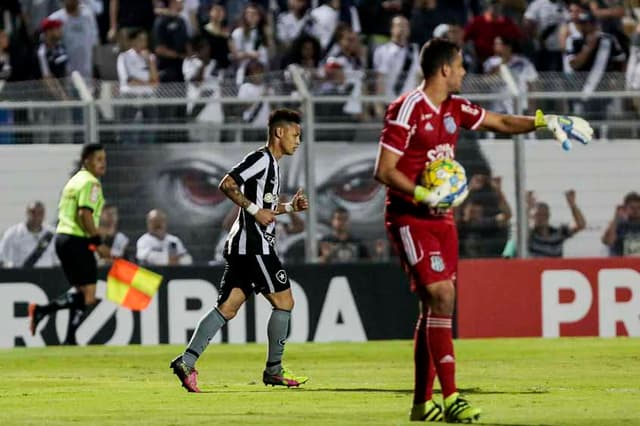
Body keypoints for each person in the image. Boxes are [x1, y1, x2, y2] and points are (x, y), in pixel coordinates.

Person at [373, 38, 592, 422]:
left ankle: (422, 404)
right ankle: (452, 396)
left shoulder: (456, 108)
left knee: (435, 306)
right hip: (411, 217)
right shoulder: (406, 109)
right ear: (444, 70)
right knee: (442, 295)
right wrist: (424, 192)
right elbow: (384, 170)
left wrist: (546, 121)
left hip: (443, 218)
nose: (463, 73)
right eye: (459, 67)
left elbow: (503, 122)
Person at [170, 108, 309, 392]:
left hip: (244, 247)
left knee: (228, 307)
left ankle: (186, 361)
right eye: (295, 135)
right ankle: (274, 369)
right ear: (279, 133)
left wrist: (290, 208)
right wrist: (256, 210)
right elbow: (227, 184)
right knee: (285, 302)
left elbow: (266, 210)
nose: (298, 141)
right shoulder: (260, 160)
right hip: (254, 247)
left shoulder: (273, 165)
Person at [28, 143, 111, 345]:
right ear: (86, 160)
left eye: (104, 159)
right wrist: (98, 242)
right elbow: (85, 213)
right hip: (77, 240)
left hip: (63, 239)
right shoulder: (91, 183)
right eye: (98, 159)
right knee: (89, 296)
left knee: (81, 292)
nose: (103, 164)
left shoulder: (74, 181)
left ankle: (70, 338)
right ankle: (41, 310)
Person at [0, 201, 59, 268]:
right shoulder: (13, 233)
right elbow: (1, 257)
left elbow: (57, 261)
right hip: (20, 276)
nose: (36, 216)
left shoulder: (53, 234)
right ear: (27, 213)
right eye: (33, 212)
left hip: (46, 276)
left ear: (44, 215)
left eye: (40, 213)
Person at [528, 190, 586, 257]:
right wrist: (528, 207)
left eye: (544, 214)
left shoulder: (558, 232)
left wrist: (572, 205)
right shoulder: (529, 235)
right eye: (538, 215)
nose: (542, 218)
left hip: (555, 267)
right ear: (533, 217)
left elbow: (581, 224)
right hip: (536, 267)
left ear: (548, 215)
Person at [602, 191, 640, 256]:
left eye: (639, 208)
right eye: (632, 208)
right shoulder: (618, 224)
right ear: (625, 208)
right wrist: (616, 219)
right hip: (621, 263)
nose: (636, 211)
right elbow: (608, 242)